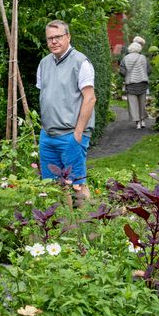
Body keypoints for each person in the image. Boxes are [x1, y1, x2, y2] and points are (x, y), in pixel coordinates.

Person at [36, 20, 96, 203]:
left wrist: (77, 134)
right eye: (50, 38)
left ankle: (87, 225)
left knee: (77, 185)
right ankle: (63, 224)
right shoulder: (44, 63)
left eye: (58, 37)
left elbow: (90, 98)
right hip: (48, 135)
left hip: (71, 134)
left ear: (68, 37)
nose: (54, 42)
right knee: (53, 186)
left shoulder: (80, 62)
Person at [119, 40, 150, 128]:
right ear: (139, 48)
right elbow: (149, 70)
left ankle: (138, 123)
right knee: (142, 103)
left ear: (130, 49)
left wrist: (126, 75)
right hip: (142, 83)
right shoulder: (143, 58)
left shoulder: (125, 58)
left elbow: (122, 72)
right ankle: (143, 121)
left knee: (133, 104)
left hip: (131, 84)